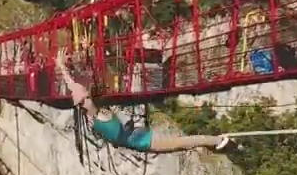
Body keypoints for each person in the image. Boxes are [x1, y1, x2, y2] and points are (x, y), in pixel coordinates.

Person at [55, 52, 235, 154]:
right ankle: (219, 141)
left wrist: (63, 67)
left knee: (186, 142)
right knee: (185, 142)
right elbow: (80, 91)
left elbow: (78, 86)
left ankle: (218, 142)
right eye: (84, 100)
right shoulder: (98, 116)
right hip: (147, 142)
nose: (86, 100)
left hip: (142, 138)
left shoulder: (95, 114)